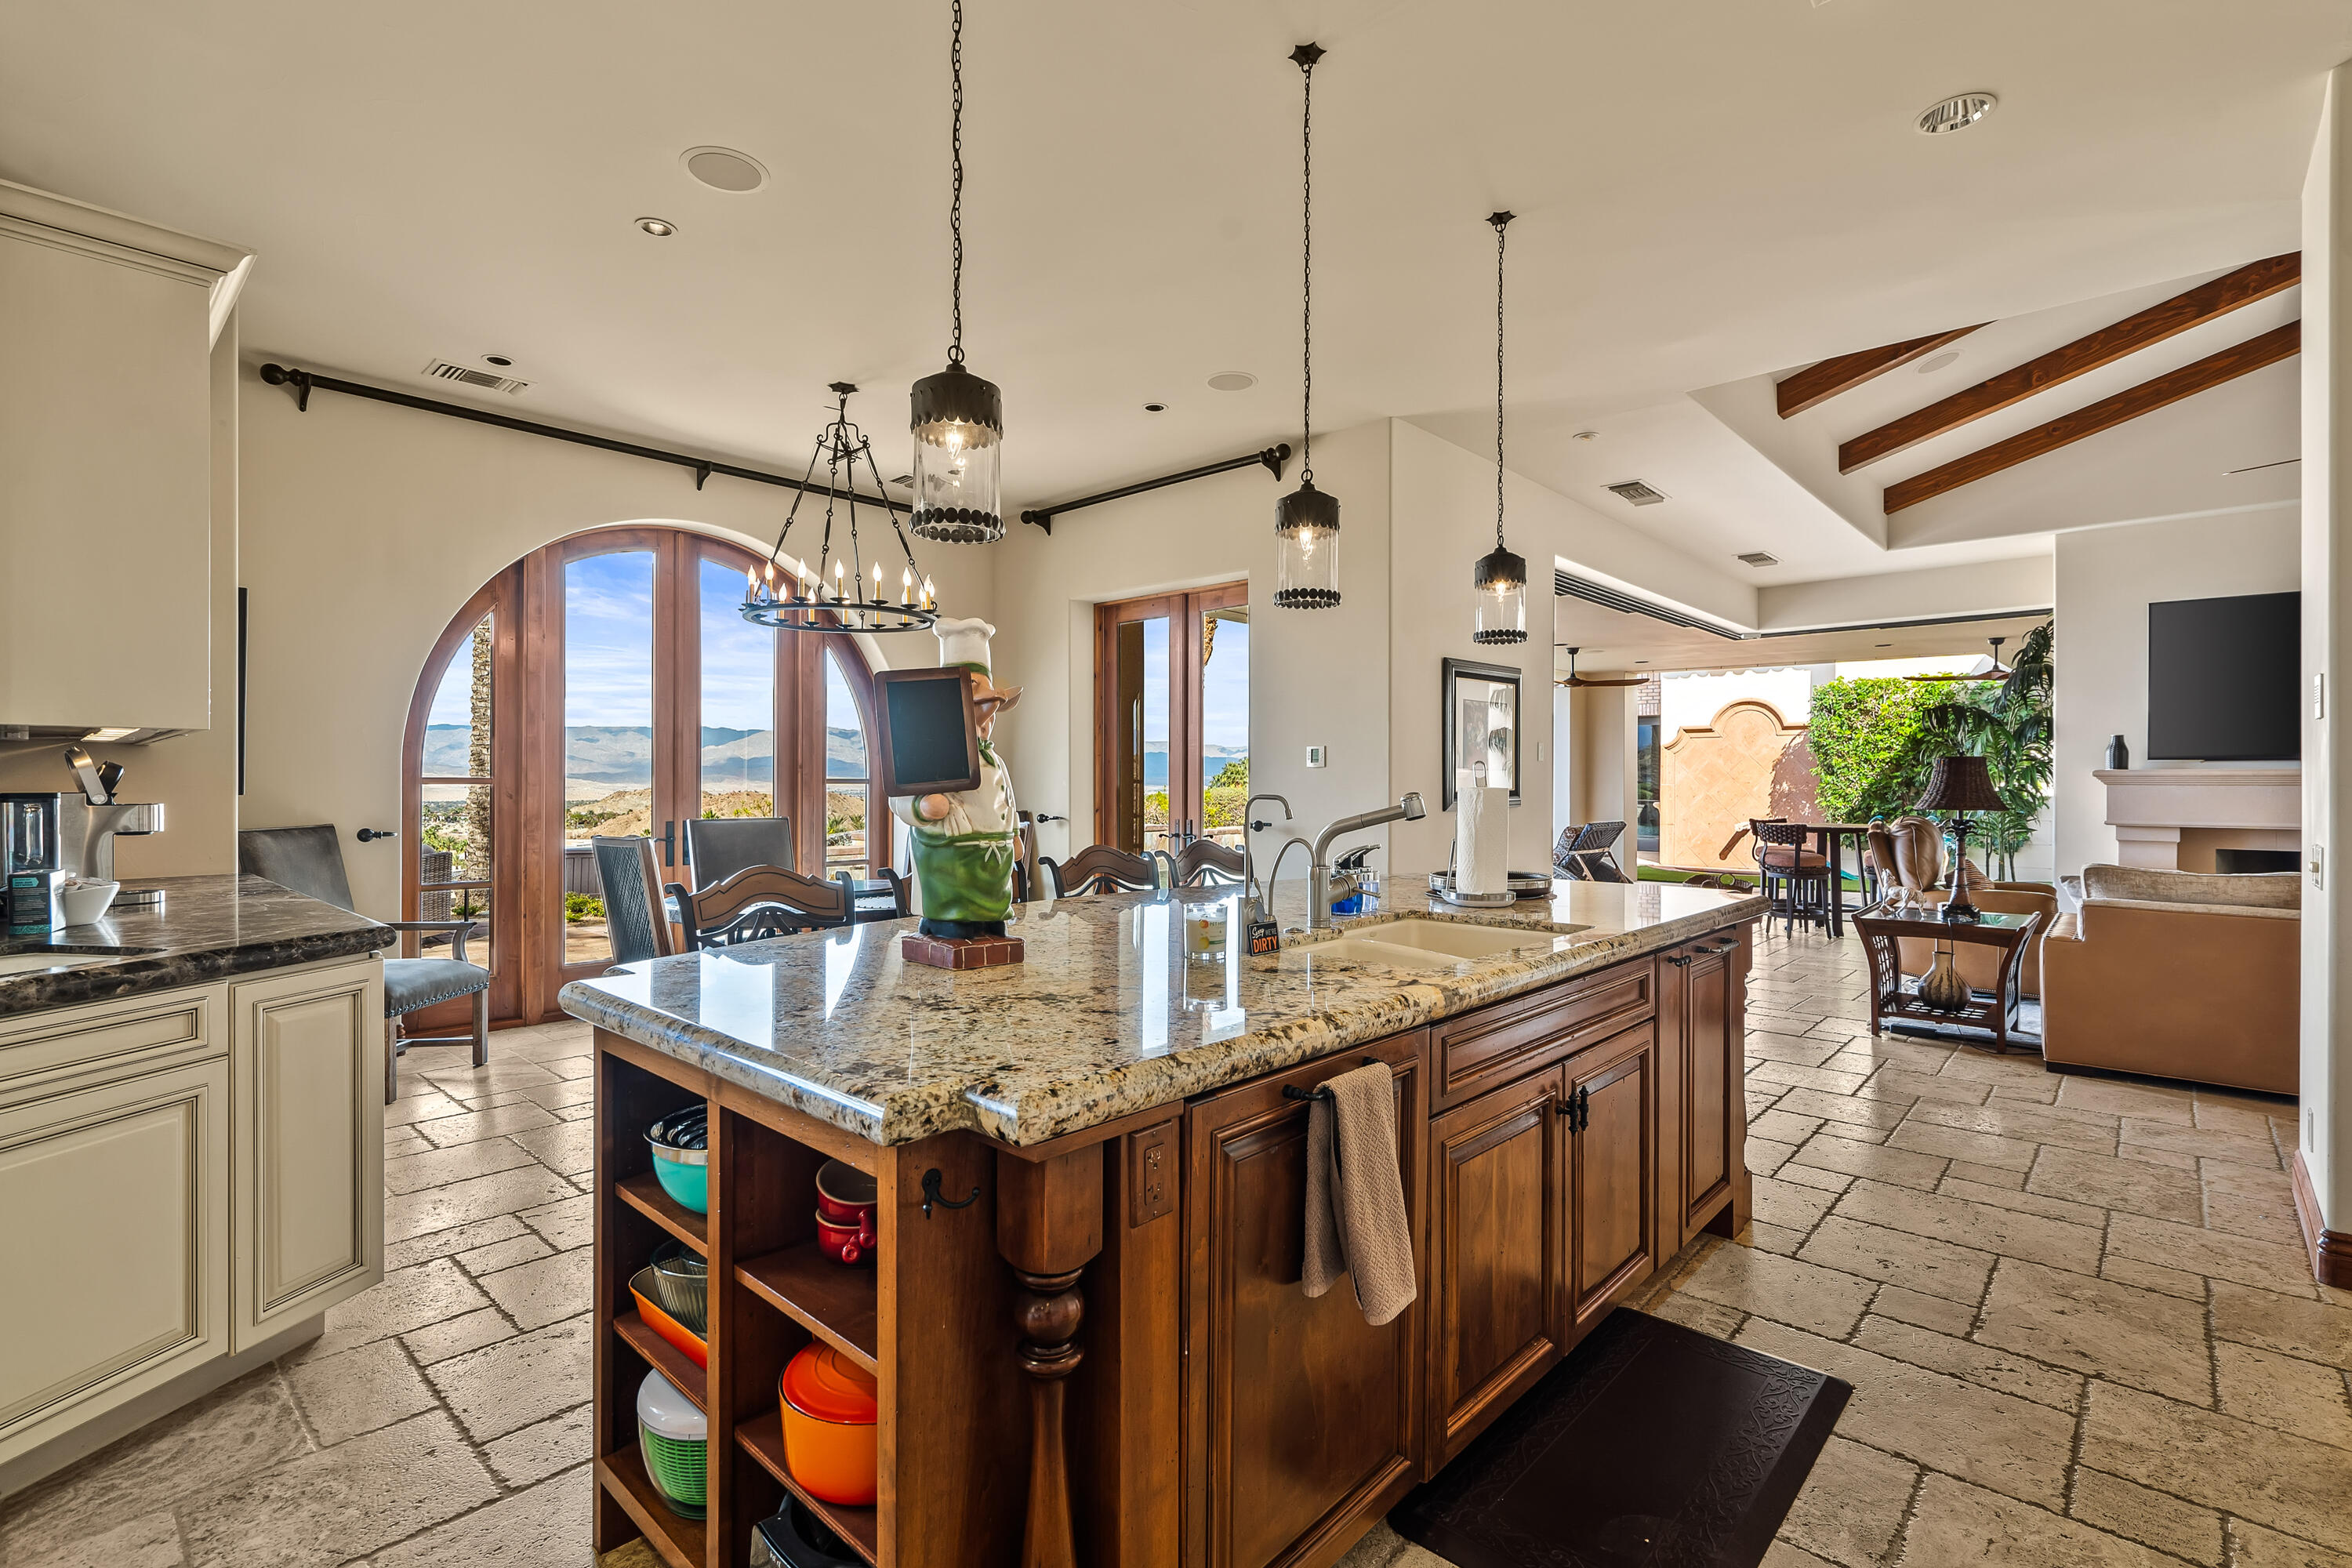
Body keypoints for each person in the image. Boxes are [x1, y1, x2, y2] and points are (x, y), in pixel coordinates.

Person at [888, 616, 1022, 941]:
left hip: (994, 871)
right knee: (955, 923)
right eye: (975, 711)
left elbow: (1007, 800)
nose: (984, 724)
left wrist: (1013, 835)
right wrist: (922, 807)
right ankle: (945, 922)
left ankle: (990, 921)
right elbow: (898, 794)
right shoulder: (929, 752)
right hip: (948, 866)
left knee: (993, 926)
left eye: (989, 715)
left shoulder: (995, 762)